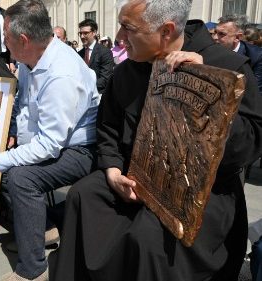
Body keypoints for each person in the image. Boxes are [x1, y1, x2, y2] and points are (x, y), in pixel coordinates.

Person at [52, 0, 262, 280]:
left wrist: (208, 90)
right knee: (83, 194)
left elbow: (249, 145)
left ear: (166, 30)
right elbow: (109, 128)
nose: (119, 37)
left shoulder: (225, 67)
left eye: (128, 28)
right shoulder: (127, 70)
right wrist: (113, 170)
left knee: (149, 240)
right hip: (133, 176)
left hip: (198, 194)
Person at [0, 1, 99, 280]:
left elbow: (51, 144)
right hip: (48, 140)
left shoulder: (61, 74)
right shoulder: (32, 59)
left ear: (23, 40)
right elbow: (22, 100)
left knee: (20, 177)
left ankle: (32, 269)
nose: (4, 44)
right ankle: (43, 229)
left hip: (79, 149)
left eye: (6, 39)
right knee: (11, 163)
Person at [214, 14, 262, 94]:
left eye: (221, 34)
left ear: (237, 38)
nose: (215, 37)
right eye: (215, 32)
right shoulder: (210, 49)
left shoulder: (257, 56)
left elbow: (254, 92)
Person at [78, 19, 114, 95]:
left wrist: (86, 87)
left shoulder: (105, 52)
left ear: (94, 32)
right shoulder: (79, 54)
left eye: (85, 33)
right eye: (80, 33)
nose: (82, 36)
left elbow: (105, 78)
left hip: (99, 96)